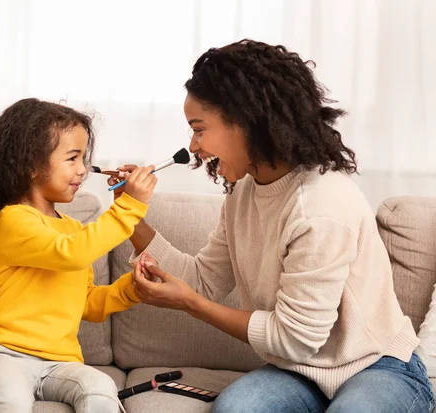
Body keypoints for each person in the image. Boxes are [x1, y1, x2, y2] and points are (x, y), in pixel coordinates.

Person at [111, 40, 435, 413]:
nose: (193, 146)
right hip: (298, 372)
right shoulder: (243, 194)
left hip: (378, 365)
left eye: (199, 129)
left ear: (247, 121)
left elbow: (294, 339)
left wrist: (191, 304)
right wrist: (129, 213)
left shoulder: (320, 207)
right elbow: (201, 279)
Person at [0, 98, 157, 413]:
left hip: (60, 362)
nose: (83, 169)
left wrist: (131, 289)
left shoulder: (73, 229)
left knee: (100, 387)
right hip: (3, 355)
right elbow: (71, 255)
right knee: (11, 399)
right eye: (72, 158)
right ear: (31, 164)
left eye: (84, 158)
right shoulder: (12, 220)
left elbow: (87, 303)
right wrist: (130, 206)